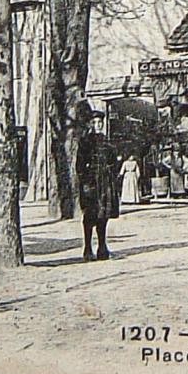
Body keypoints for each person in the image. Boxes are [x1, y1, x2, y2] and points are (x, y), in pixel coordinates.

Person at [75, 105, 120, 261]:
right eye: (94, 123)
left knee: (103, 215)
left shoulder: (107, 142)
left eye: (100, 122)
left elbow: (114, 162)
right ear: (90, 124)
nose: (98, 125)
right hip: (91, 182)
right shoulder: (85, 142)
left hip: (105, 182)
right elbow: (79, 165)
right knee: (89, 215)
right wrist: (85, 181)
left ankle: (102, 246)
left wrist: (113, 176)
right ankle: (87, 247)